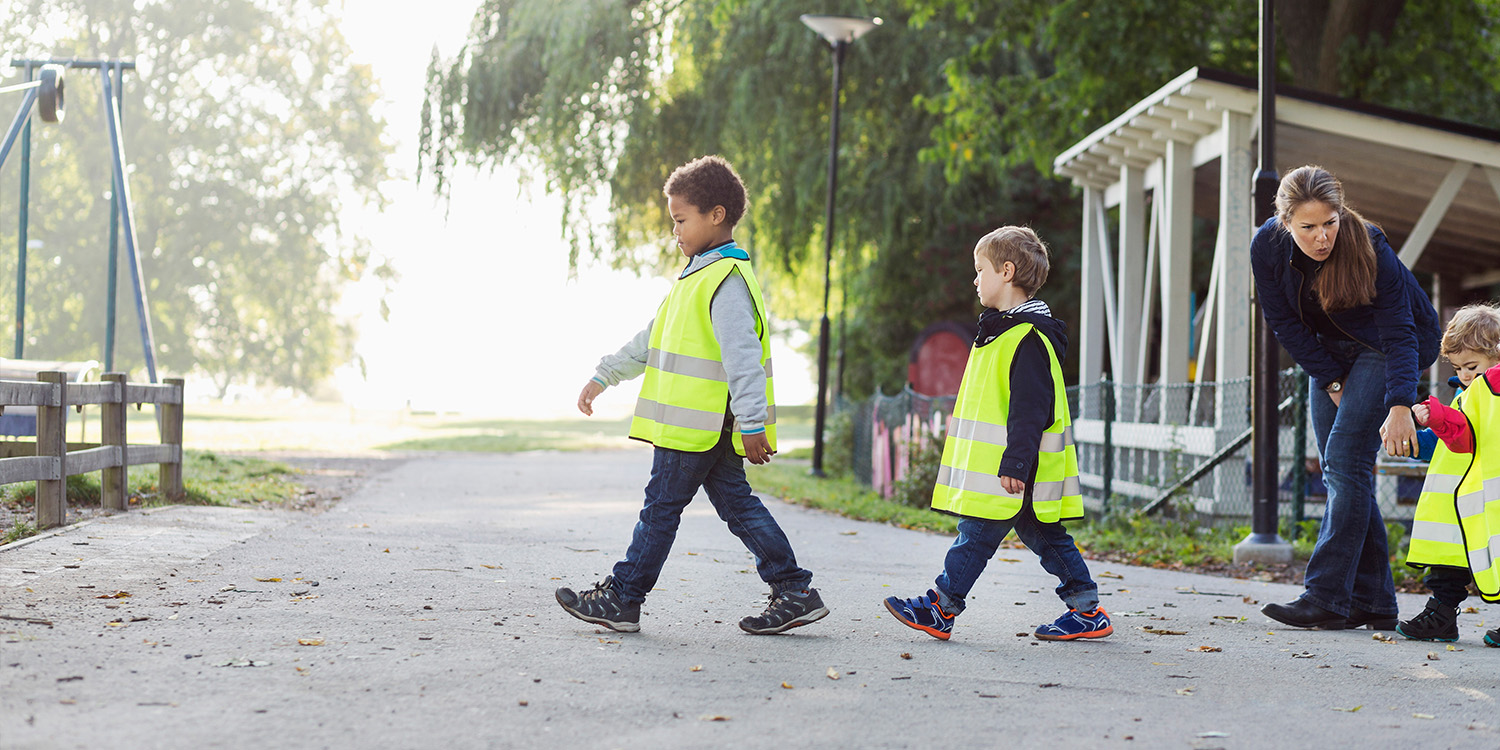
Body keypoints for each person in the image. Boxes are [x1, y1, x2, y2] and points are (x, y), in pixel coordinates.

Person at [554, 155, 827, 635]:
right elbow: (651, 340)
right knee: (738, 506)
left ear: (715, 216)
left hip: (698, 425)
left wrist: (752, 422)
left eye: (681, 220)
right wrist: (605, 374)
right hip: (696, 428)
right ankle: (795, 590)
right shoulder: (695, 277)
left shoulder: (726, 282)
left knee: (660, 508)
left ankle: (624, 597)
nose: (674, 231)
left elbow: (742, 359)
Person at [883, 226, 1109, 642]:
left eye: (980, 269)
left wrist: (1017, 462)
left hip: (1017, 466)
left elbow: (1030, 408)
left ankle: (941, 607)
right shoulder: (1002, 333)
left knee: (976, 534)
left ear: (1006, 272)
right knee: (1043, 534)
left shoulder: (1027, 338)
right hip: (1012, 466)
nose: (975, 279)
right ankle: (1086, 610)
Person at [1250, 165, 1441, 630]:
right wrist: (1333, 380)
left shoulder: (1368, 243)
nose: (1322, 237)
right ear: (1285, 222)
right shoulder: (1266, 246)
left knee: (1344, 463)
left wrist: (1400, 403)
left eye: (1329, 222)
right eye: (1308, 227)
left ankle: (1326, 596)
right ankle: (1375, 602)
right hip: (1329, 356)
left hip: (1389, 347)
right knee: (1345, 473)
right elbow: (1284, 323)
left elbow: (1400, 332)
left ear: (1341, 212)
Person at [1399, 304, 1500, 645]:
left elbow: (1465, 437)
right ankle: (1441, 613)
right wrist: (1417, 439)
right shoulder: (1465, 394)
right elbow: (1447, 441)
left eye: (1472, 366)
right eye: (1458, 367)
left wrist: (1441, 419)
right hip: (1460, 498)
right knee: (1448, 557)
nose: (1466, 375)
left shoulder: (1491, 394)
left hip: (1486, 494)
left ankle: (1441, 613)